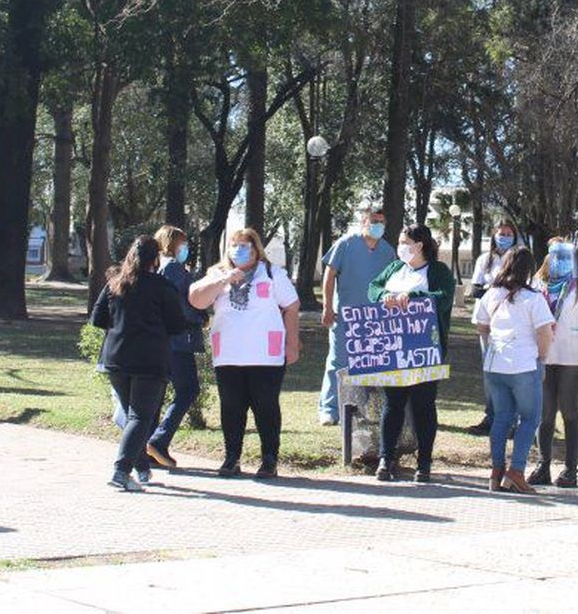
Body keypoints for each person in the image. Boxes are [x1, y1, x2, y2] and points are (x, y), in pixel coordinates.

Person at [189, 228, 301, 479]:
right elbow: (196, 300)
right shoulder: (217, 273)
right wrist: (225, 279)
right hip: (228, 354)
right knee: (231, 407)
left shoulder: (272, 273)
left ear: (256, 249)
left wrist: (292, 343)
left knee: (266, 407)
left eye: (245, 246)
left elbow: (292, 306)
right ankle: (231, 458)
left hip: (266, 356)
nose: (239, 250)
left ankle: (269, 459)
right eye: (234, 245)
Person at [92, 235, 191, 491]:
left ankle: (142, 468)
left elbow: (98, 318)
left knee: (133, 417)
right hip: (150, 360)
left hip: (116, 358)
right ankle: (121, 471)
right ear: (155, 259)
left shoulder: (115, 284)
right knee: (139, 417)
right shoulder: (162, 286)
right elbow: (177, 325)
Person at [368, 224, 457, 483]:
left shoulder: (438, 271)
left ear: (419, 245)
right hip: (394, 349)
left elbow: (443, 297)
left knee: (423, 406)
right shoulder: (395, 268)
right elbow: (373, 287)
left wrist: (413, 296)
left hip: (426, 351)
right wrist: (384, 295)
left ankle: (424, 462)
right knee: (392, 405)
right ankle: (387, 458)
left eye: (405, 241)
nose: (400, 247)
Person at [474, 246, 554, 493]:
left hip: (495, 365)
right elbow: (544, 333)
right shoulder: (533, 298)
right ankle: (516, 471)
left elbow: (481, 326)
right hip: (524, 365)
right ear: (529, 270)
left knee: (501, 418)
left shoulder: (491, 294)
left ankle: (496, 470)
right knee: (530, 418)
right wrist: (541, 357)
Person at [318, 203, 394, 425]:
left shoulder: (387, 251)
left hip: (373, 319)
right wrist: (327, 307)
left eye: (381, 222)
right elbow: (329, 276)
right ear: (363, 222)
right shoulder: (346, 244)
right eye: (373, 222)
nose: (378, 226)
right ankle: (329, 409)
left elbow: (391, 283)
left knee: (366, 364)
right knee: (338, 361)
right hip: (345, 316)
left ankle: (358, 408)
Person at [529, 237, 578, 488]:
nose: (561, 262)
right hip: (543, 356)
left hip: (572, 358)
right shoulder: (536, 286)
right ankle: (542, 465)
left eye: (566, 258)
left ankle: (570, 469)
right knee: (544, 415)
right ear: (548, 258)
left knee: (569, 411)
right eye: (556, 257)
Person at [145, 225, 207, 469]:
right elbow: (176, 303)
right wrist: (199, 317)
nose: (186, 248)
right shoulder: (172, 268)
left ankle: (150, 449)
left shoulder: (163, 267)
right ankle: (158, 441)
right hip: (177, 341)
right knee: (188, 389)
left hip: (164, 340)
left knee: (159, 395)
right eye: (182, 243)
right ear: (171, 243)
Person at [465, 220, 523, 435]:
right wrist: (495, 289)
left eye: (509, 233)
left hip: (511, 323)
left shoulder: (519, 258)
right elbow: (475, 289)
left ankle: (513, 420)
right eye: (501, 233)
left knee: (512, 371)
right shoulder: (485, 259)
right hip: (487, 322)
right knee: (490, 371)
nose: (505, 237)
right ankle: (491, 417)